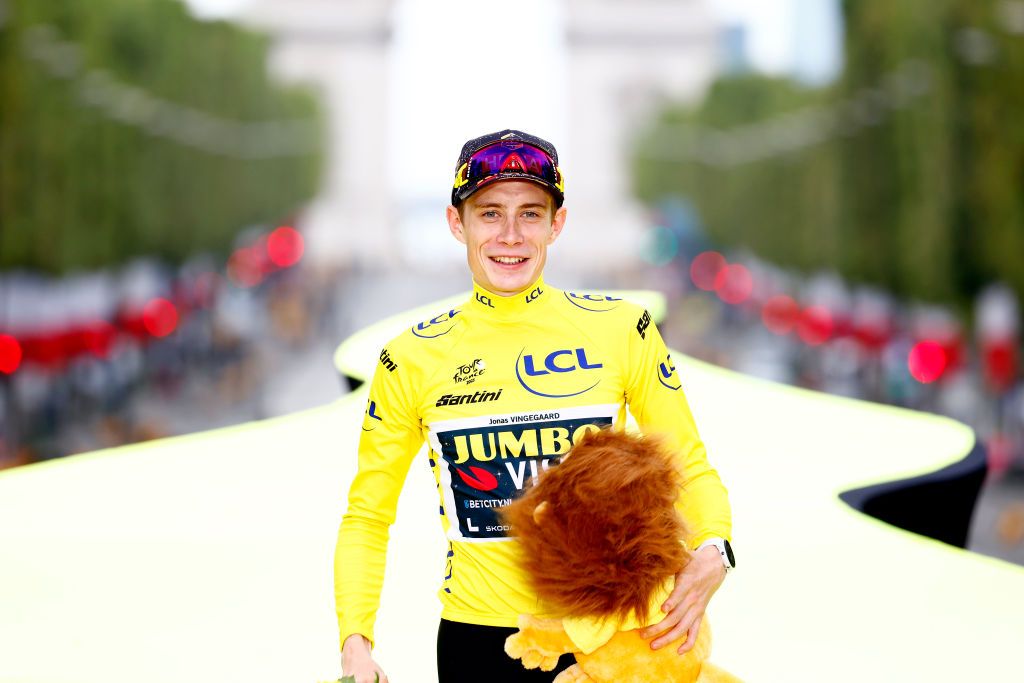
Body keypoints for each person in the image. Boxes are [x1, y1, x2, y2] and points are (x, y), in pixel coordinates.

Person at [336, 130, 734, 683]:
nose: (510, 235)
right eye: (490, 213)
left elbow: (687, 463)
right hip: (476, 645)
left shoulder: (622, 329)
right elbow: (367, 515)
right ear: (458, 223)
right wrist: (356, 641)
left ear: (557, 224)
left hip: (609, 635)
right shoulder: (410, 358)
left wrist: (716, 548)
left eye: (530, 213)